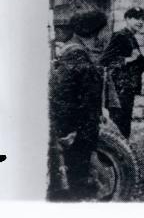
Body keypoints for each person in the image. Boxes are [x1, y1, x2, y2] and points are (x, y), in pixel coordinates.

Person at [48, 10, 107, 201]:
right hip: (77, 139)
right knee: (77, 188)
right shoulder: (78, 58)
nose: (103, 38)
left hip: (77, 134)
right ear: (93, 33)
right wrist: (68, 131)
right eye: (101, 32)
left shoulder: (72, 53)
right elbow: (62, 97)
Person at [100, 7, 144, 139]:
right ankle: (117, 153)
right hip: (119, 89)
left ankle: (123, 151)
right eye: (136, 18)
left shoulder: (131, 37)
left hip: (127, 87)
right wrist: (127, 59)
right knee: (119, 122)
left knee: (125, 122)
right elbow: (104, 60)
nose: (140, 22)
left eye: (142, 19)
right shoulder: (120, 36)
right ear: (127, 19)